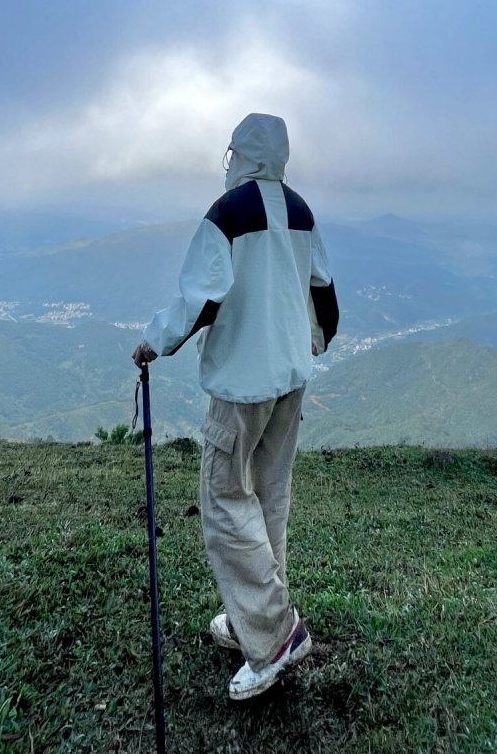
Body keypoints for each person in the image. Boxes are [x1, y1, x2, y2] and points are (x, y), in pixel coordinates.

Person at [132, 112, 339, 701]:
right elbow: (322, 293)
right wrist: (313, 343)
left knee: (225, 502)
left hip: (243, 385)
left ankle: (273, 637)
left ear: (239, 154)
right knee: (269, 495)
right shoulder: (300, 210)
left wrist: (155, 340)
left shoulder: (226, 215)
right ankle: (256, 618)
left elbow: (202, 299)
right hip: (291, 379)